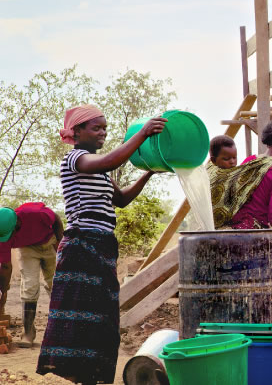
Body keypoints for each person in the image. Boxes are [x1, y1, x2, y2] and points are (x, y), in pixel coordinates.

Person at [37, 105, 166, 384]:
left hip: (103, 246)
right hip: (82, 245)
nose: (102, 133)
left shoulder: (99, 171)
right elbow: (110, 161)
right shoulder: (75, 159)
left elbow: (121, 200)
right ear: (76, 132)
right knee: (81, 318)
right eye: (96, 128)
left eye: (104, 128)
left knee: (99, 318)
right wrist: (143, 133)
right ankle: (80, 378)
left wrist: (149, 174)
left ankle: (89, 379)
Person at [0, 203, 64, 347]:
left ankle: (62, 330)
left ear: (17, 224)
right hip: (27, 249)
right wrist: (3, 291)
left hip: (49, 243)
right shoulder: (2, 234)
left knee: (56, 284)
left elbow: (56, 219)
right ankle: (28, 333)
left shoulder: (35, 213)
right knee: (29, 285)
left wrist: (60, 242)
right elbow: (5, 266)